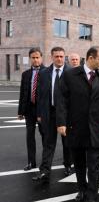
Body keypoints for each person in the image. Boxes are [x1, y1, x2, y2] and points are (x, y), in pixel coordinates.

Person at [56, 46, 99, 202]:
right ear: (90, 58)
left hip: (97, 129)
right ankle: (81, 190)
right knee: (79, 163)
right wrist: (61, 122)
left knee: (94, 165)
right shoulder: (70, 75)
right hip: (76, 128)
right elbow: (62, 100)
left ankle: (92, 198)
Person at [34, 47, 73, 182]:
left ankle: (68, 165)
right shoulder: (44, 73)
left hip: (66, 114)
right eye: (56, 56)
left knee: (67, 142)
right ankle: (44, 171)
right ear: (52, 57)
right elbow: (40, 95)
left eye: (62, 56)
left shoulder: (71, 72)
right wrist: (39, 113)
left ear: (64, 57)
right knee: (48, 143)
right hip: (49, 113)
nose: (59, 59)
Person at [18, 48, 46, 171]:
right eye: (33, 58)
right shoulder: (26, 74)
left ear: (41, 58)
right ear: (30, 58)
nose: (35, 60)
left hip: (42, 111)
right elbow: (22, 93)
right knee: (30, 137)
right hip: (29, 110)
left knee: (45, 136)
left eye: (37, 57)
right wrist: (20, 111)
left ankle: (45, 162)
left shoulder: (47, 72)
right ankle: (31, 162)